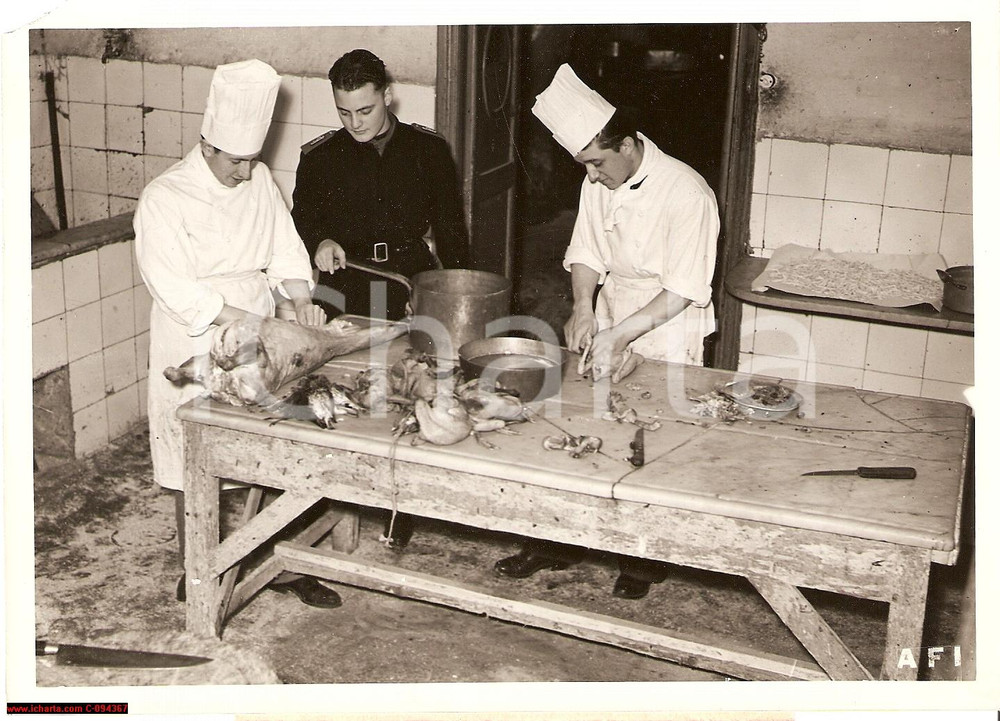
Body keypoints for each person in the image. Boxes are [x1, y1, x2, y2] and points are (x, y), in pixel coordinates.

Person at [493, 64, 719, 600]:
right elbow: (589, 251)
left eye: (596, 163)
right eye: (584, 166)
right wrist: (583, 307)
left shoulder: (688, 193)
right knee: (582, 425)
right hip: (617, 309)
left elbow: (685, 287)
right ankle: (559, 541)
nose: (591, 177)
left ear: (629, 144)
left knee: (649, 439)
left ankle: (640, 558)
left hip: (670, 326)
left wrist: (622, 335)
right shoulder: (599, 180)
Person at [134, 59, 343, 609]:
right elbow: (175, 288)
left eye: (252, 161)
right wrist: (245, 320)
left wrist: (300, 300)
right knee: (192, 458)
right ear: (207, 145)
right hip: (193, 338)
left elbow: (283, 249)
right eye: (236, 162)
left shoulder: (259, 181)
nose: (246, 173)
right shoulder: (165, 197)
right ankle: (198, 566)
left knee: (270, 446)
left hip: (259, 328)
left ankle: (283, 561)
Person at [291, 48, 469, 549]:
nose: (355, 123)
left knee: (408, 383)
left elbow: (452, 230)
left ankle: (399, 505)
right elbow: (303, 214)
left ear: (387, 95)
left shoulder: (428, 151)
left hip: (407, 276)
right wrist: (318, 240)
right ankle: (329, 493)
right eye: (344, 112)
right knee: (333, 383)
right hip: (344, 278)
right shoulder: (321, 155)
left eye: (365, 111)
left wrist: (448, 292)